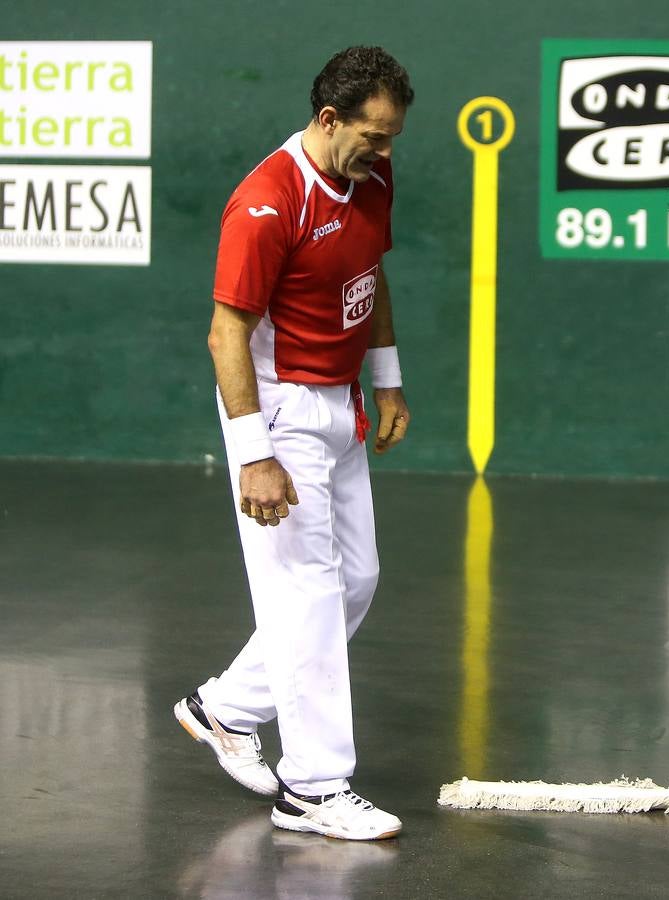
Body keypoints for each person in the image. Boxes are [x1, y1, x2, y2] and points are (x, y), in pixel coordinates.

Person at [174, 46, 414, 840]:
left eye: (391, 139)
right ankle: (312, 787)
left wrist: (386, 380)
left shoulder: (368, 178)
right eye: (374, 137)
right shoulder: (266, 201)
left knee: (356, 581)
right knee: (306, 594)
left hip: (340, 403)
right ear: (327, 119)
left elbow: (369, 277)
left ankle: (225, 708)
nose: (384, 154)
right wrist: (254, 452)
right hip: (277, 410)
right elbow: (224, 334)